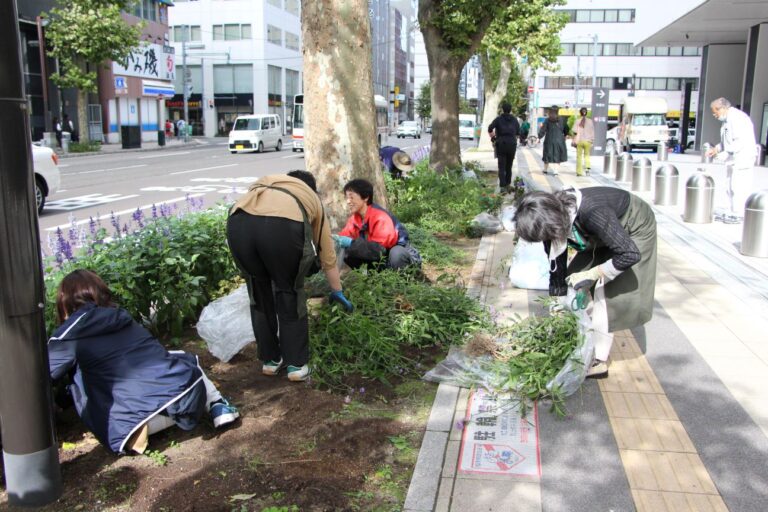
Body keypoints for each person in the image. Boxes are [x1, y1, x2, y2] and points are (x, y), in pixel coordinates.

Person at [48, 269, 239, 455]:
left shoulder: (68, 335)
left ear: (65, 301)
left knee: (80, 376)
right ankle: (217, 405)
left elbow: (41, 378)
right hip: (183, 404)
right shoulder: (119, 316)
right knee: (179, 355)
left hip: (130, 430)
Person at [513, 187, 658, 378]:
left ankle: (598, 360)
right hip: (604, 232)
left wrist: (596, 273)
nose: (546, 241)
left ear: (554, 224)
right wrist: (557, 303)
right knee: (573, 281)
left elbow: (629, 254)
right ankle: (582, 336)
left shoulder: (593, 212)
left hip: (633, 227)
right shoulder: (553, 220)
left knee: (607, 296)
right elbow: (557, 265)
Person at [227, 170, 352, 382]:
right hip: (282, 227)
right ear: (311, 188)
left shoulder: (264, 182)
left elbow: (252, 218)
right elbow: (327, 254)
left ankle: (270, 361)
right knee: (289, 290)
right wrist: (337, 290)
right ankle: (295, 365)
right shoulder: (310, 197)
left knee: (258, 290)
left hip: (238, 223)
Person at [334, 178, 421, 270]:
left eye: (351, 197)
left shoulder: (380, 217)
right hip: (381, 258)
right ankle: (372, 280)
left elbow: (379, 251)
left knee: (396, 254)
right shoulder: (354, 219)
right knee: (349, 253)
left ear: (366, 197)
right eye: (347, 198)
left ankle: (404, 280)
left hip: (398, 255)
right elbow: (344, 236)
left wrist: (351, 242)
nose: (348, 201)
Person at [705, 97, 757, 224]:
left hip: (742, 158)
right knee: (729, 185)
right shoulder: (727, 120)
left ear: (722, 108)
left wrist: (726, 153)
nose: (714, 115)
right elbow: (726, 141)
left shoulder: (737, 118)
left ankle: (738, 214)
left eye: (715, 112)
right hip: (733, 159)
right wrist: (716, 149)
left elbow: (740, 141)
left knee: (738, 186)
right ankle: (731, 210)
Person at [487, 102, 521, 191]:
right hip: (512, 144)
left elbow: (490, 128)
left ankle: (502, 186)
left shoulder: (498, 119)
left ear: (502, 109)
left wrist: (493, 137)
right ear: (510, 110)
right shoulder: (514, 120)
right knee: (509, 166)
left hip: (501, 144)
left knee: (501, 166)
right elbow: (518, 132)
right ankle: (508, 184)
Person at [538, 105, 569, 175]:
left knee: (547, 154)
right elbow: (566, 128)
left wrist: (539, 137)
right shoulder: (562, 119)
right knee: (557, 154)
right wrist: (565, 134)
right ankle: (556, 171)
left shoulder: (547, 120)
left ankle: (545, 169)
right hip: (559, 140)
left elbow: (543, 130)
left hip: (549, 139)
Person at [572, 108, 595, 177]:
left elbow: (574, 131)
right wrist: (592, 141)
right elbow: (592, 132)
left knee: (579, 156)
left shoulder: (577, 121)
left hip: (579, 141)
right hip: (588, 141)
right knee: (587, 155)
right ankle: (587, 169)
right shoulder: (590, 121)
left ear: (580, 113)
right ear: (586, 113)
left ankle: (579, 172)